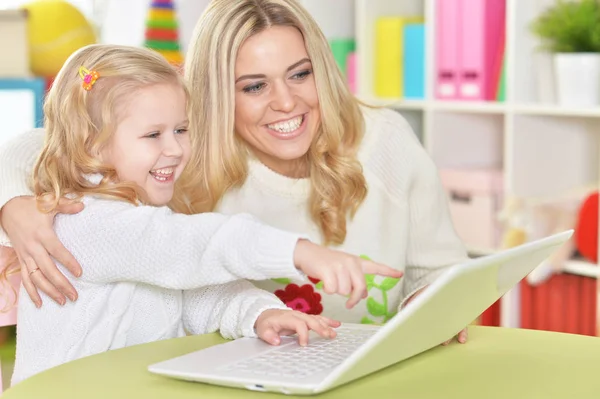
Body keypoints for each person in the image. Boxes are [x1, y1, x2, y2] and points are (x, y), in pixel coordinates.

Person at [0, 0, 469, 343]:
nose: (286, 102)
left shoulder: (382, 138)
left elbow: (440, 271)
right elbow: (39, 145)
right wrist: (12, 204)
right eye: (254, 86)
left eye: (301, 74)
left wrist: (430, 306)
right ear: (218, 96)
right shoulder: (178, 150)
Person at [2, 43, 403, 384]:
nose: (175, 149)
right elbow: (194, 245)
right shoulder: (83, 221)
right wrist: (299, 251)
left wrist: (259, 313)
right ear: (90, 145)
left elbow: (196, 296)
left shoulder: (141, 214)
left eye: (181, 129)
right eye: (153, 134)